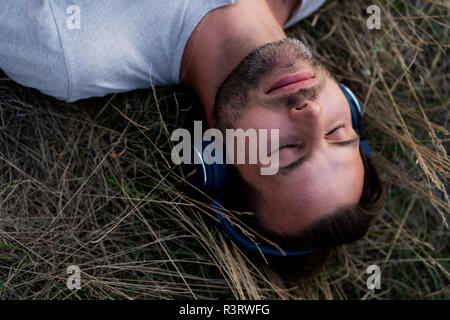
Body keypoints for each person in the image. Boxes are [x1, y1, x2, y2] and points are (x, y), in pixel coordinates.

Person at [0, 0, 385, 276]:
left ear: (215, 156)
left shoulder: (63, 43)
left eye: (286, 149)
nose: (313, 113)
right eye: (338, 132)